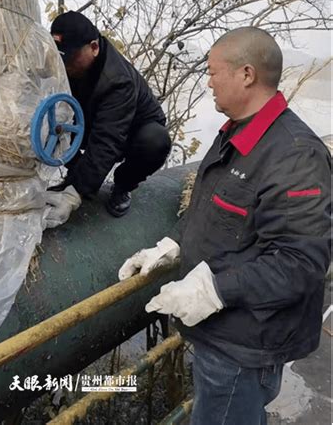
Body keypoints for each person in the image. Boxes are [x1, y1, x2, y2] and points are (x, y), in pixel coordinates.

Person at [119, 27, 331, 425]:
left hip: (245, 345)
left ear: (246, 74)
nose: (209, 81)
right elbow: (215, 211)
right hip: (220, 336)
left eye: (214, 72)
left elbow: (301, 262)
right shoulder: (236, 132)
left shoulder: (294, 156)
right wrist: (172, 245)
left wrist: (213, 289)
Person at [44, 10, 171, 223]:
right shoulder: (68, 66)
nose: (64, 65)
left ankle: (122, 185)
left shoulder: (118, 81)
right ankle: (75, 179)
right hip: (90, 120)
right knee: (51, 125)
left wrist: (74, 197)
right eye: (60, 56)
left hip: (132, 132)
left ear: (94, 47)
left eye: (72, 57)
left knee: (155, 141)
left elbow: (107, 139)